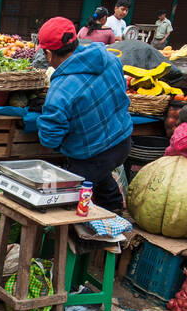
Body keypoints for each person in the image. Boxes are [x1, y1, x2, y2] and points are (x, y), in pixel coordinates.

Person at [35, 17, 133, 213]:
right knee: (100, 173)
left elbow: (50, 138)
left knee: (70, 198)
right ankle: (115, 210)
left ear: (47, 53)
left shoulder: (60, 89)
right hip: (123, 142)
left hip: (92, 154)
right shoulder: (110, 59)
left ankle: (91, 237)